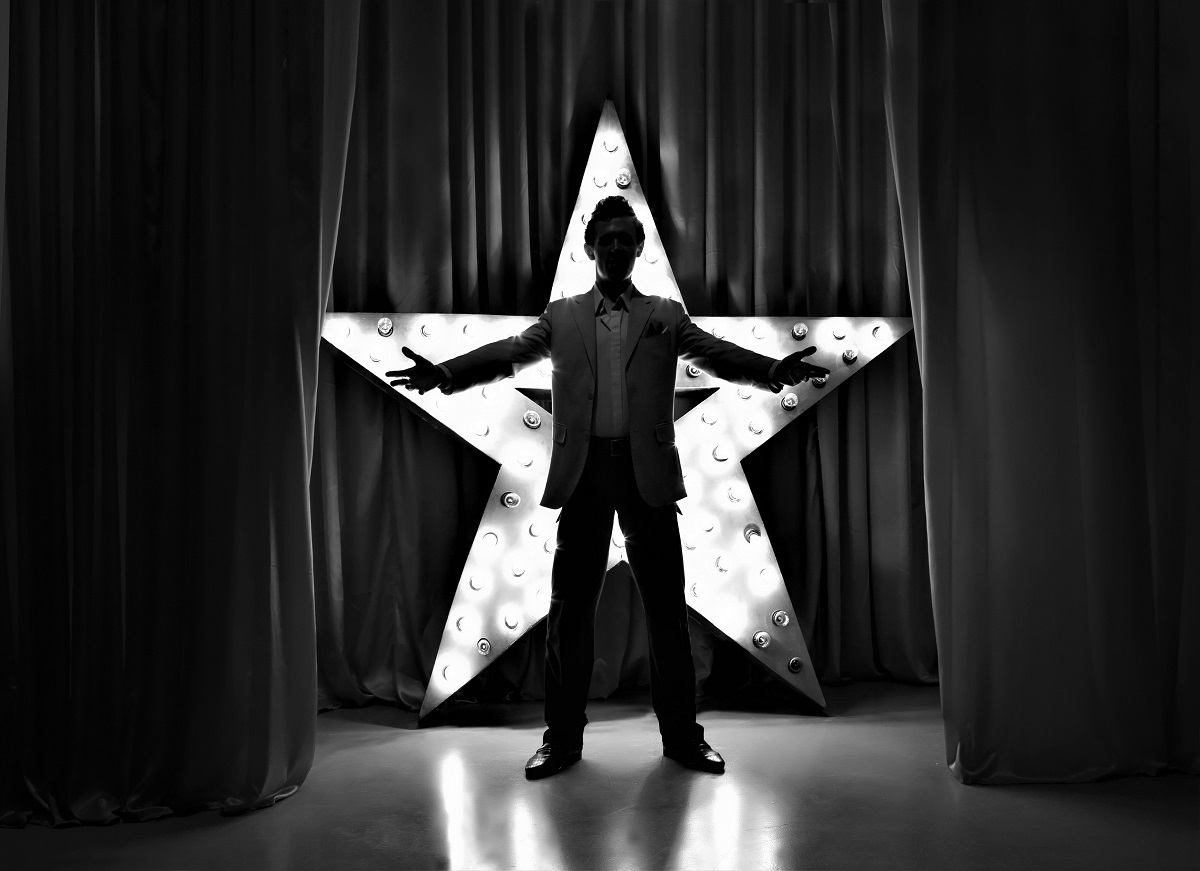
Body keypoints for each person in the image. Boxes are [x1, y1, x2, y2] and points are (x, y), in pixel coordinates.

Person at [390, 196, 828, 779]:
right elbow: (510, 355)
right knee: (569, 615)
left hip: (647, 478)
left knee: (668, 614)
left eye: (627, 238)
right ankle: (561, 740)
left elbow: (716, 354)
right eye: (608, 239)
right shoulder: (562, 316)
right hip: (584, 475)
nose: (617, 247)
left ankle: (683, 737)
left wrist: (773, 371)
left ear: (639, 248)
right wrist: (446, 374)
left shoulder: (665, 315)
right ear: (590, 248)